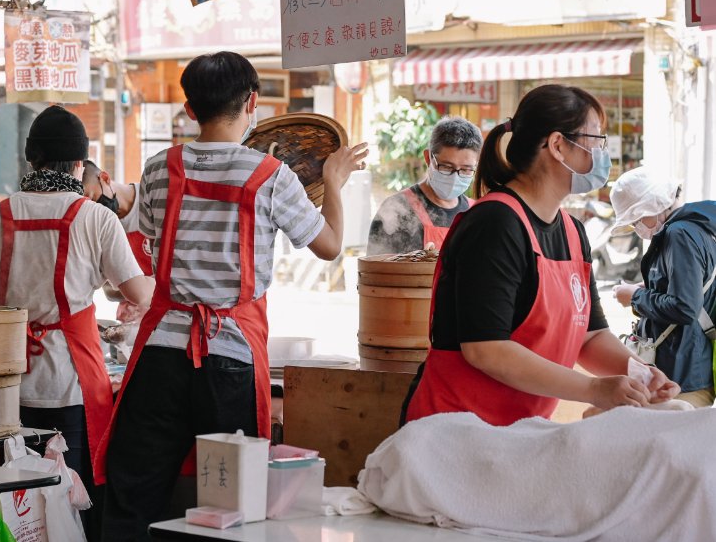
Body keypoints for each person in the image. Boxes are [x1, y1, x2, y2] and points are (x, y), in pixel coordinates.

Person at [95, 52, 368, 541]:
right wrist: (332, 182)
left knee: (135, 492)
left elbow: (154, 240)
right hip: (231, 356)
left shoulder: (161, 169)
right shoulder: (271, 175)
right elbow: (328, 247)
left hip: (161, 354)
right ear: (252, 102)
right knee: (232, 502)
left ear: (189, 108)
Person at [401, 84, 680, 427]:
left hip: (520, 431)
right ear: (558, 145)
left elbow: (590, 337)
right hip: (454, 430)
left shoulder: (573, 232)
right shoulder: (495, 223)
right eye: (595, 139)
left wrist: (640, 373)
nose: (601, 152)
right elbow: (485, 348)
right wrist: (593, 389)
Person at [0, 105, 155, 539]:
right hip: (67, 381)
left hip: (6, 381)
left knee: (15, 504)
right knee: (69, 501)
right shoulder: (95, 217)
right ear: (79, 165)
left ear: (30, 159)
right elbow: (138, 295)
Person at [611, 168, 716, 408]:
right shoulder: (691, 230)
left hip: (683, 378)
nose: (637, 227)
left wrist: (636, 297)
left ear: (652, 206)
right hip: (682, 370)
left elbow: (686, 308)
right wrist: (646, 289)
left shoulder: (680, 235)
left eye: (636, 220)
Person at [367, 116, 482, 254]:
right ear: (428, 158)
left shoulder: (476, 214)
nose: (455, 176)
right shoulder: (396, 211)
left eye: (466, 169)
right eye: (446, 167)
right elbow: (374, 271)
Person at [82, 160, 152, 322]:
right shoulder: (96, 226)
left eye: (94, 198)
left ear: (105, 178)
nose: (94, 208)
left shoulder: (154, 201)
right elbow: (110, 291)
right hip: (133, 319)